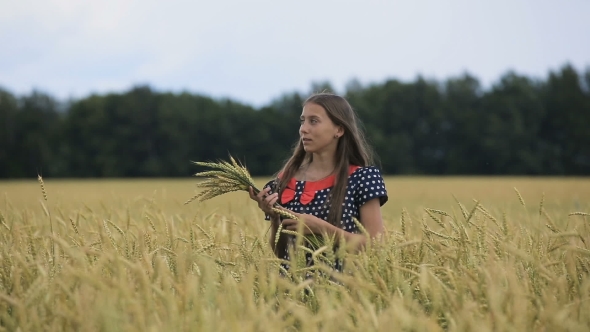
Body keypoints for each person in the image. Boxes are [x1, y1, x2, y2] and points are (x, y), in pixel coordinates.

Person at [248, 92, 388, 273]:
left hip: (344, 293)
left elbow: (377, 245)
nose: (303, 129)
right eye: (302, 121)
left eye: (313, 121)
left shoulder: (361, 178)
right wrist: (275, 218)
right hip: (291, 293)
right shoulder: (285, 180)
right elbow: (283, 256)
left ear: (339, 129)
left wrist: (322, 229)